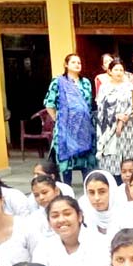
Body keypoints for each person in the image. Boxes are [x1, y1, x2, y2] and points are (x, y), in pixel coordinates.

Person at [44, 53, 97, 186]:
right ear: (66, 65)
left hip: (84, 127)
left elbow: (88, 105)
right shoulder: (58, 82)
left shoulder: (85, 82)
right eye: (73, 62)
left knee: (86, 159)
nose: (77, 65)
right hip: (65, 128)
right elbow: (49, 103)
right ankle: (67, 188)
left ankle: (87, 188)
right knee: (67, 160)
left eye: (79, 62)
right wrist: (58, 119)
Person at [96, 58, 133, 180]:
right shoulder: (104, 88)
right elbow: (100, 107)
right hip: (109, 127)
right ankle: (112, 180)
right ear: (110, 71)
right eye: (116, 69)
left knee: (128, 154)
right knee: (111, 155)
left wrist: (123, 119)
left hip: (129, 127)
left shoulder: (130, 87)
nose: (119, 72)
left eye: (121, 70)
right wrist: (116, 117)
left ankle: (131, 179)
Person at [79, 169, 121, 237]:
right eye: (91, 192)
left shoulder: (126, 214)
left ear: (111, 191)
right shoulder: (82, 213)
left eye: (102, 192)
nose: (97, 198)